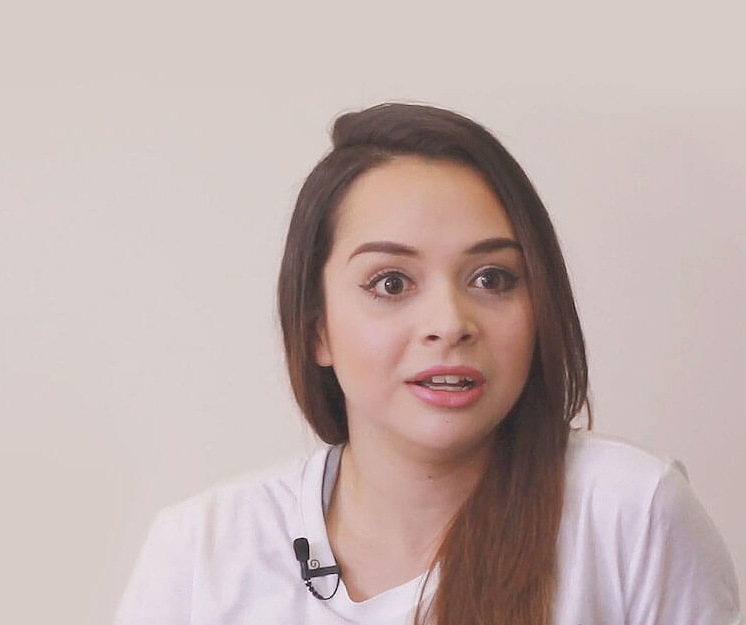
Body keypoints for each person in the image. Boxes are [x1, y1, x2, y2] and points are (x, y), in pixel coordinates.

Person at [113, 103, 743, 625]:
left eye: (492, 278)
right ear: (316, 331)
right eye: (390, 283)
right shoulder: (201, 551)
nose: (450, 322)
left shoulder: (632, 512)